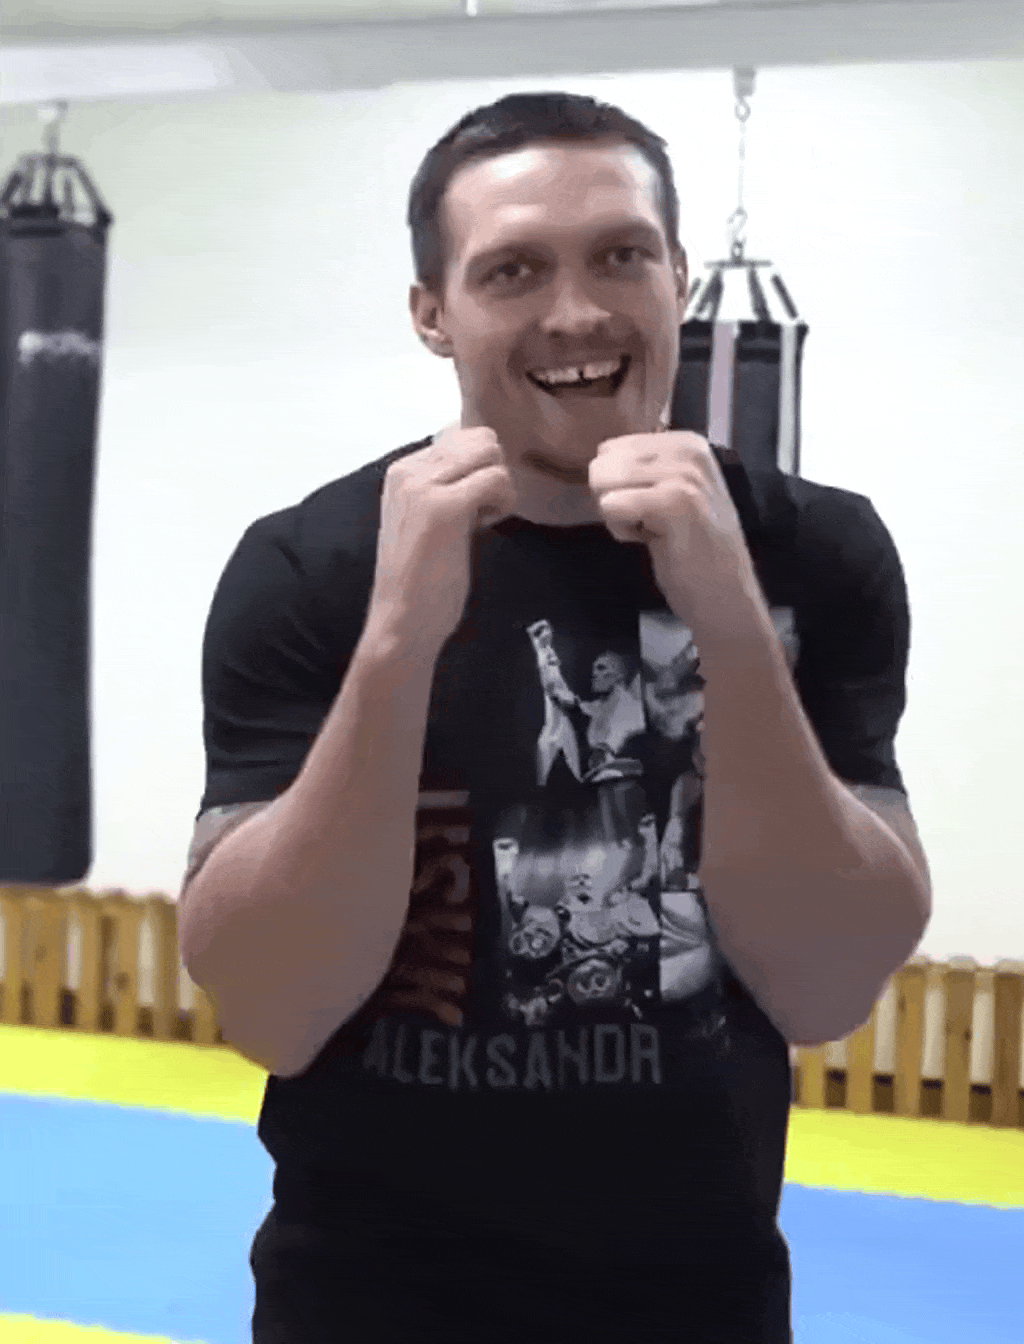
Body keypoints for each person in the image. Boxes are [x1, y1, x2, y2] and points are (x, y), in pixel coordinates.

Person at [177, 92, 931, 1343]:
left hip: (698, 1300)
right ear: (432, 310)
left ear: (678, 275)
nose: (576, 312)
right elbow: (270, 1007)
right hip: (367, 1301)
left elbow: (825, 987)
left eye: (620, 255)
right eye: (513, 270)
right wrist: (396, 639)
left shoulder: (815, 552)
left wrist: (729, 619)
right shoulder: (310, 567)